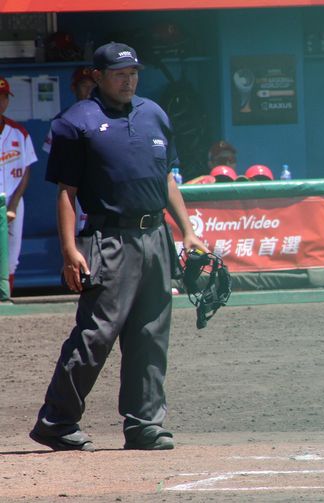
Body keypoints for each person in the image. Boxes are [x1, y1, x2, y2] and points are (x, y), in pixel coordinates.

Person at [30, 42, 207, 452]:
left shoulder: (154, 115)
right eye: (119, 74)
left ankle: (144, 424)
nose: (128, 80)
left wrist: (188, 231)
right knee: (96, 333)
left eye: (133, 73)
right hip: (108, 238)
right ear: (97, 76)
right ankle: (56, 420)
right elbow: (66, 193)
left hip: (155, 238)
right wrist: (70, 249)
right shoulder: (77, 123)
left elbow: (167, 182)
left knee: (151, 333)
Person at [43, 66, 97, 234]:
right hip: (75, 188)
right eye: (84, 85)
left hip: (101, 187)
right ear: (74, 88)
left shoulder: (108, 115)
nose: (89, 90)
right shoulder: (63, 121)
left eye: (93, 86)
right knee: (77, 238)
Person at [0, 76, 37, 293]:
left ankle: (5, 301)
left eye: (4, 97)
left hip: (13, 200)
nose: (1, 102)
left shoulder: (19, 132)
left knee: (12, 258)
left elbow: (25, 171)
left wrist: (13, 204)